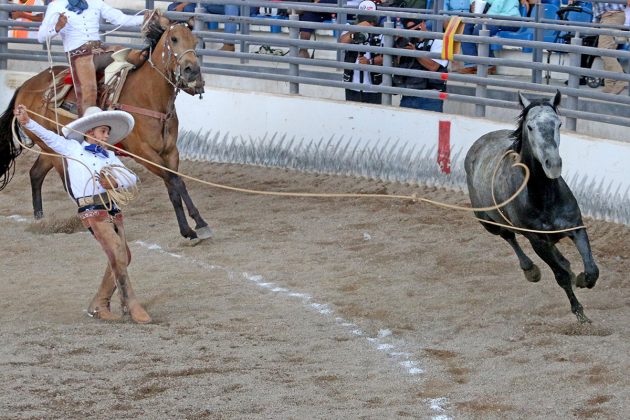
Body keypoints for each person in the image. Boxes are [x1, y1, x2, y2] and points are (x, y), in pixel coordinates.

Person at [14, 104, 151, 324]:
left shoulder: (109, 155)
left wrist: (115, 181)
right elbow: (48, 137)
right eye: (103, 131)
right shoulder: (72, 149)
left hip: (113, 208)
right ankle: (131, 302)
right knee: (117, 250)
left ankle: (100, 303)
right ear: (90, 132)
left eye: (107, 132)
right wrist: (27, 122)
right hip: (91, 210)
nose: (107, 135)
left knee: (124, 255)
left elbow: (131, 178)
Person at [37, 0, 151, 116]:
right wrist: (57, 27)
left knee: (135, 56)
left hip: (100, 49)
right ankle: (86, 127)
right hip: (78, 55)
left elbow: (119, 18)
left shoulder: (95, 2)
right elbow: (41, 37)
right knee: (89, 91)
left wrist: (145, 18)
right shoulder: (56, 5)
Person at [394, 18, 448, 112]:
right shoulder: (407, 42)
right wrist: (399, 52)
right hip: (408, 95)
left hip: (430, 96)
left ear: (423, 24)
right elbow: (397, 68)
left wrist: (415, 52)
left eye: (417, 29)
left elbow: (433, 67)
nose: (415, 33)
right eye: (411, 30)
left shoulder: (437, 40)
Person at [458, 0, 524, 74]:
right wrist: (473, 3)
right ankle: (471, 64)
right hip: (490, 17)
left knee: (480, 30)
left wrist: (485, 18)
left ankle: (490, 65)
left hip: (509, 18)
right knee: (465, 27)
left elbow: (497, 6)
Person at [339, 1, 383, 104]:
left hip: (374, 86)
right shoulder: (349, 27)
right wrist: (357, 29)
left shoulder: (382, 32)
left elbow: (387, 57)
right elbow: (342, 43)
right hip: (352, 84)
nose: (366, 22)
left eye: (369, 19)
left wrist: (370, 62)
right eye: (364, 19)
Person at [168, 2, 258, 52]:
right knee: (189, 8)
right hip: (218, 5)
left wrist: (183, 4)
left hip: (245, 5)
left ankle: (229, 44)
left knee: (231, 5)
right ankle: (195, 42)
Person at [592, 1, 629, 94]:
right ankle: (610, 85)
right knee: (608, 51)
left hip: (612, 15)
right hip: (608, 16)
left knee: (604, 51)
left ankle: (622, 79)